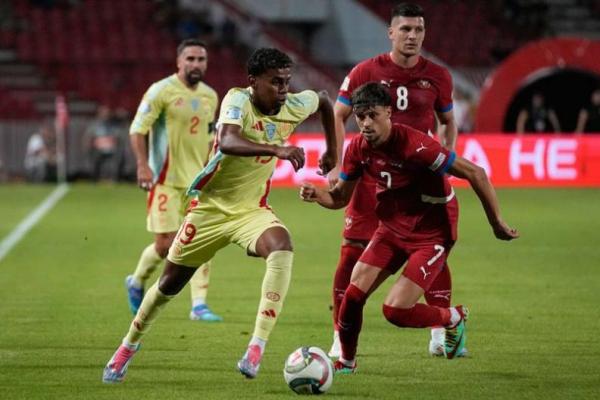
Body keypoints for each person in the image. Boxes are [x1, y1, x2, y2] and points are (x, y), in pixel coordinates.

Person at [102, 47, 337, 383]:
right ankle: (127, 346)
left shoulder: (295, 104)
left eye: (287, 82)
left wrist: (332, 150)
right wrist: (278, 150)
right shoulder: (237, 99)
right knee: (169, 284)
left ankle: (256, 347)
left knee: (282, 245)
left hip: (250, 210)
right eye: (275, 82)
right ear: (254, 81)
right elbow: (227, 140)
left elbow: (326, 99)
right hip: (209, 208)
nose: (284, 89)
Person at [301, 82, 519, 372]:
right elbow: (341, 197)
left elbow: (474, 173)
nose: (366, 123)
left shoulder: (416, 146)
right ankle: (346, 363)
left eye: (372, 115)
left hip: (432, 232)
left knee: (394, 311)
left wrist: (497, 223)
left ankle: (453, 317)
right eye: (360, 116)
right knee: (351, 298)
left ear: (389, 113)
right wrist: (319, 195)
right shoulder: (358, 148)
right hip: (391, 228)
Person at [328, 2, 460, 358]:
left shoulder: (438, 75)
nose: (412, 36)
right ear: (390, 32)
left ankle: (439, 329)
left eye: (418, 30)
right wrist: (336, 162)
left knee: (430, 252)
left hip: (416, 186)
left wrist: (445, 160)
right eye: (405, 29)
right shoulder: (364, 71)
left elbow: (448, 122)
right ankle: (340, 337)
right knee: (352, 255)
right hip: (371, 180)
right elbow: (338, 115)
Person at [124, 38, 222, 323]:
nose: (195, 64)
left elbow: (208, 138)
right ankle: (136, 280)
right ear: (178, 62)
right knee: (166, 245)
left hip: (196, 184)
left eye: (200, 59)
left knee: (200, 240)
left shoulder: (211, 96)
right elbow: (137, 129)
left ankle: (199, 305)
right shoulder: (161, 91)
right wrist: (143, 166)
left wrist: (210, 172)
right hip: (164, 180)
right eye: (190, 59)